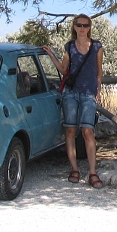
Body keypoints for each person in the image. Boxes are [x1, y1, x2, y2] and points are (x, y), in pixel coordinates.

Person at [42, 14, 104, 188]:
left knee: (87, 132)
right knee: (70, 130)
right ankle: (74, 169)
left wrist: (98, 91)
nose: (82, 28)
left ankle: (92, 172)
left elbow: (99, 72)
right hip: (70, 93)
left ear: (89, 27)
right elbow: (63, 69)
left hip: (88, 94)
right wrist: (51, 54)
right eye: (79, 25)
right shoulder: (70, 47)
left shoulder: (97, 47)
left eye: (85, 25)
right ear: (75, 27)